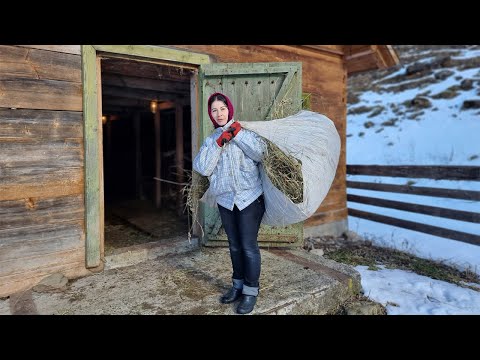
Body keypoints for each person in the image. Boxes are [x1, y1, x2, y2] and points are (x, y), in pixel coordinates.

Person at [193, 92, 266, 314]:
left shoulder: (245, 132)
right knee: (234, 246)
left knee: (248, 246)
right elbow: (203, 168)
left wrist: (237, 135)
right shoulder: (210, 140)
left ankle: (250, 292)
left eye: (222, 109)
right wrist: (219, 143)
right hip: (226, 199)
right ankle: (237, 286)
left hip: (248, 197)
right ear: (211, 114)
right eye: (214, 110)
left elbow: (261, 153)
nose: (219, 113)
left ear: (229, 109)